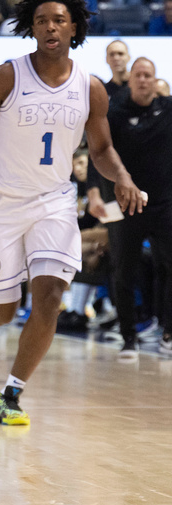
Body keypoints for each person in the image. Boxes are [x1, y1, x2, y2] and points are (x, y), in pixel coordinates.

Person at [0, 0, 145, 425]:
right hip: (1, 203)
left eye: (58, 20)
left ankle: (11, 394)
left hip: (54, 202)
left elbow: (102, 149)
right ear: (30, 29)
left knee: (51, 295)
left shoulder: (90, 88)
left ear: (74, 27)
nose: (50, 27)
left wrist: (124, 178)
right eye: (41, 21)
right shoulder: (8, 75)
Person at [100, 57, 172, 358]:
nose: (144, 80)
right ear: (130, 80)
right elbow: (100, 153)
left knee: (168, 266)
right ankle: (129, 337)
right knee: (123, 271)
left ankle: (168, 332)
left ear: (156, 81)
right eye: (139, 75)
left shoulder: (168, 108)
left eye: (149, 75)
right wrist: (99, 195)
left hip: (164, 203)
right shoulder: (115, 113)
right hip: (127, 205)